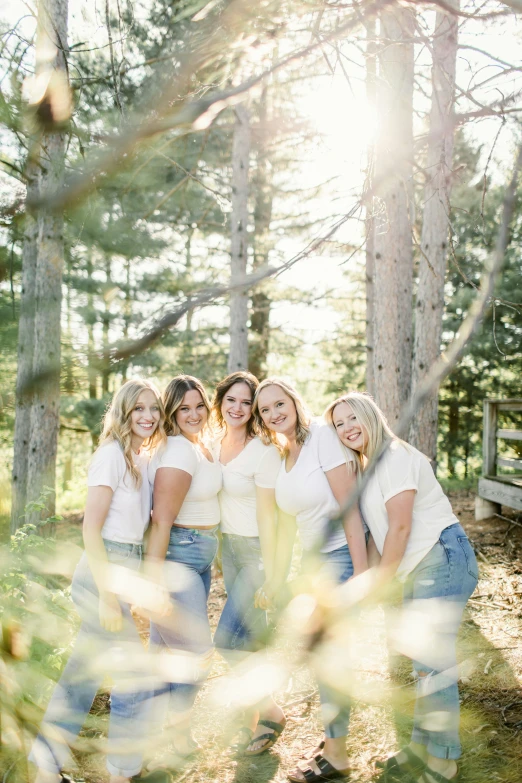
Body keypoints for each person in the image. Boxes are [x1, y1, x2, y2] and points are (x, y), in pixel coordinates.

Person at [324, 392, 479, 783]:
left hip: (441, 557)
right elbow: (379, 535)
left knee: (431, 663)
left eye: (352, 418)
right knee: (419, 661)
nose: (346, 428)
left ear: (371, 416)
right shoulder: (370, 466)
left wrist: (382, 582)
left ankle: (443, 762)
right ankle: (419, 749)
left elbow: (402, 526)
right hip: (418, 568)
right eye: (338, 424)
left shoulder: (394, 456)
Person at [30, 379, 165, 783]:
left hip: (124, 569)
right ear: (123, 413)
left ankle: (45, 766)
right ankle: (125, 769)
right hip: (102, 573)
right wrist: (108, 597)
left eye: (153, 409)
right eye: (138, 409)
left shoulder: (138, 458)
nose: (148, 416)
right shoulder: (110, 456)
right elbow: (91, 530)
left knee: (81, 675)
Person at [253, 378, 367, 782]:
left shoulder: (321, 436)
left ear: (294, 401)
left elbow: (350, 508)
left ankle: (337, 756)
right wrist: (276, 578)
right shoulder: (285, 453)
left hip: (342, 559)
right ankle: (334, 741)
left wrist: (363, 575)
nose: (273, 413)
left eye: (278, 403)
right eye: (264, 409)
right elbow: (287, 526)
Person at [146, 375, 222, 762]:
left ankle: (145, 733)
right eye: (183, 408)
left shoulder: (200, 445)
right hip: (178, 556)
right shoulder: (178, 450)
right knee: (196, 652)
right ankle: (177, 732)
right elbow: (161, 520)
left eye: (199, 406)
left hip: (200, 555)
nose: (193, 414)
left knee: (162, 652)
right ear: (172, 412)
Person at [211, 371, 285, 756]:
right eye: (231, 400)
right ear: (220, 403)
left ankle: (270, 709)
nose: (238, 408)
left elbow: (269, 518)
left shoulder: (264, 450)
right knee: (251, 640)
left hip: (256, 551)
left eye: (246, 402)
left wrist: (272, 575)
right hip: (229, 551)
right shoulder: (211, 444)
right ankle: (250, 720)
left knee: (226, 639)